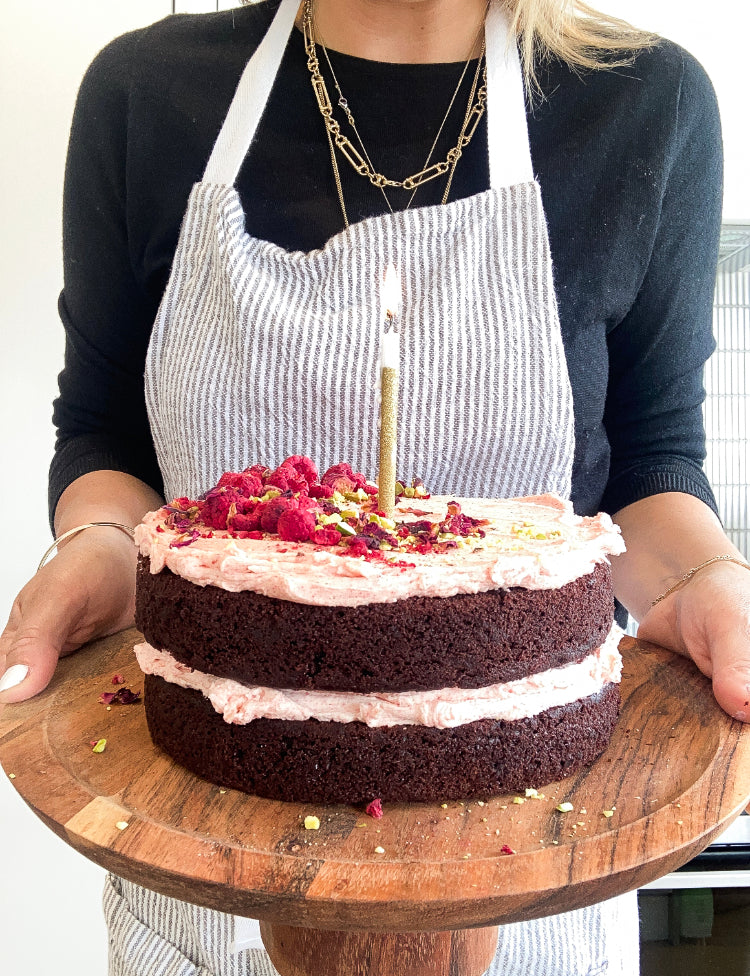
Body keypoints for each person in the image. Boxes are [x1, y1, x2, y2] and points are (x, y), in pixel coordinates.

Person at [0, 0, 747, 973]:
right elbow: (102, 433)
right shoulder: (143, 94)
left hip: (537, 884)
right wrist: (100, 540)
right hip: (201, 874)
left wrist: (704, 577)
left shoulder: (647, 102)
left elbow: (652, 461)